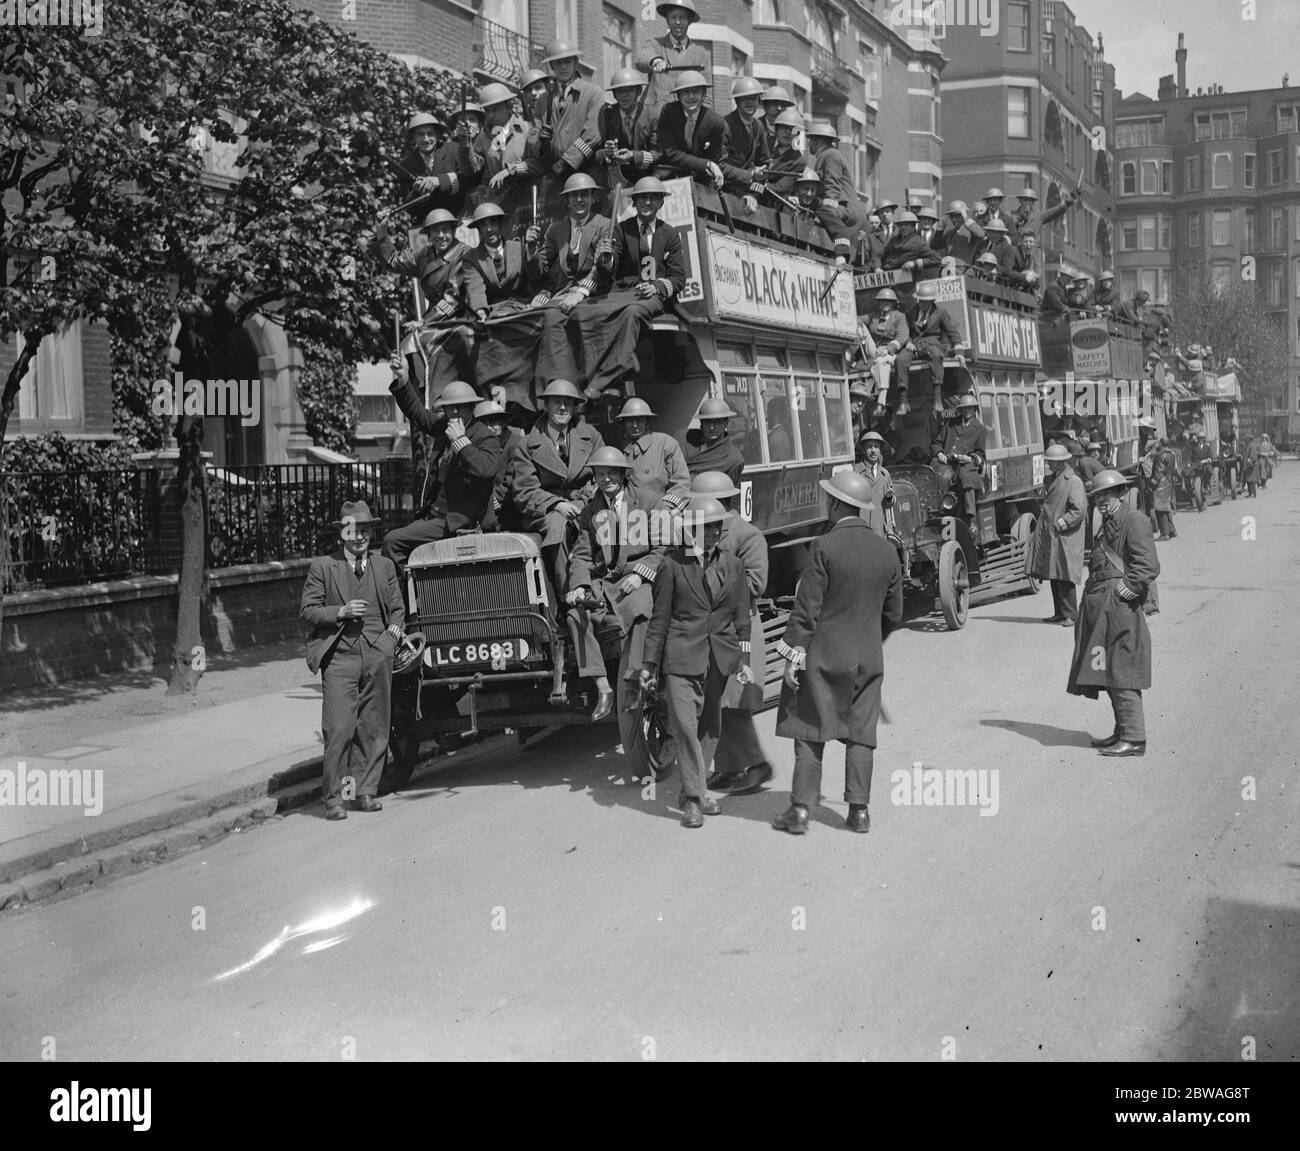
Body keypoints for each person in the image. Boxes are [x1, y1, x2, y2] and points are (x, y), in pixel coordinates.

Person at [771, 470, 903, 835]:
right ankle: (859, 812)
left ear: (834, 504)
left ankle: (800, 811)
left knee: (810, 729)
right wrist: (870, 639)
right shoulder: (886, 551)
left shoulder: (824, 547)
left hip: (825, 656)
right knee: (861, 732)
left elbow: (806, 610)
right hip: (868, 658)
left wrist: (794, 653)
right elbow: (894, 613)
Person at [638, 495, 752, 829]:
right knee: (686, 727)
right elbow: (659, 620)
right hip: (681, 656)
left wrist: (743, 659)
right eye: (706, 527)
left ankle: (698, 790)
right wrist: (649, 664)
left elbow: (741, 615)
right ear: (691, 530)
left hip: (719, 657)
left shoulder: (733, 564)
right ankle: (691, 799)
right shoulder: (672, 565)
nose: (713, 532)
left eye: (717, 526)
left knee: (709, 726)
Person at [301, 500, 406, 820]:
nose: (359, 536)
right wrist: (340, 613)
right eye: (352, 530)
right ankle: (332, 799)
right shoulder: (323, 566)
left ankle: (366, 791)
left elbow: (398, 610)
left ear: (371, 532)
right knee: (339, 727)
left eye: (365, 530)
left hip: (377, 654)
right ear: (341, 533)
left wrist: (390, 638)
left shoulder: (384, 566)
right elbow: (307, 611)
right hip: (340, 657)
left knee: (373, 727)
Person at [566, 447, 666, 721]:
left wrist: (641, 575)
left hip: (637, 578)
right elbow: (583, 555)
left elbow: (663, 547)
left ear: (622, 474)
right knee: (576, 616)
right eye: (600, 474)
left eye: (611, 473)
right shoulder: (590, 511)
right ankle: (603, 687)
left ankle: (636, 681)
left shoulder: (650, 502)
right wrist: (579, 585)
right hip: (604, 582)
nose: (606, 479)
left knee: (639, 608)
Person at [691, 472, 774, 797]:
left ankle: (757, 765)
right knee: (718, 700)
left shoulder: (747, 535)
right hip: (712, 630)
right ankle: (728, 768)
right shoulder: (700, 533)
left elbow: (755, 583)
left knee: (734, 702)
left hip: (738, 629)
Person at [1068, 470, 1160, 758]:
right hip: (1102, 607)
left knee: (1122, 672)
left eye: (1107, 496)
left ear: (1121, 493)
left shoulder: (1134, 521)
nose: (1102, 502)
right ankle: (1122, 732)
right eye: (1097, 498)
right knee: (1107, 672)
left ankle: (1134, 738)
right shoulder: (1107, 522)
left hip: (1119, 609)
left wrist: (1124, 592)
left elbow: (1147, 566)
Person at [578, 175, 686, 400]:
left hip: (652, 297)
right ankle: (585, 375)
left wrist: (657, 287)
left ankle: (610, 376)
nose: (647, 203)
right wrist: (605, 260)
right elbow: (610, 268)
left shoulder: (671, 235)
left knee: (630, 313)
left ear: (661, 203)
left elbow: (678, 278)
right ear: (634, 203)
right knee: (586, 311)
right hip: (622, 293)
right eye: (642, 198)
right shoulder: (620, 229)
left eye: (653, 199)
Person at [382, 374, 504, 569]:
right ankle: (411, 593)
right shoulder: (443, 427)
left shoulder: (484, 435)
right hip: (434, 516)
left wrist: (460, 441)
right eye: (450, 407)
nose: (455, 412)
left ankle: (410, 594)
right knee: (393, 543)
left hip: (461, 522)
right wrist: (404, 380)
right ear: (444, 409)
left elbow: (487, 469)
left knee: (393, 541)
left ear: (472, 408)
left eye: (461, 406)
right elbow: (418, 413)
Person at [509, 378, 604, 590]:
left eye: (568, 403)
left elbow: (603, 476)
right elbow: (524, 492)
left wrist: (586, 501)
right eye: (557, 402)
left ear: (575, 408)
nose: (562, 408)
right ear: (546, 405)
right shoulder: (527, 445)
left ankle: (601, 587)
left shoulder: (592, 436)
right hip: (546, 511)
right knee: (557, 527)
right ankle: (568, 594)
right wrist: (556, 504)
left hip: (586, 502)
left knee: (605, 522)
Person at [370, 207, 468, 320]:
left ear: (453, 231)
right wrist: (381, 229)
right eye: (435, 230)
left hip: (460, 318)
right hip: (434, 318)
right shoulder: (424, 254)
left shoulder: (465, 254)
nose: (441, 235)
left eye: (445, 229)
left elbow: (452, 298)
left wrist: (424, 322)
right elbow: (393, 261)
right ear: (429, 235)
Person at [1029, 443, 1086, 626]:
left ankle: (1070, 614)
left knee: (1065, 575)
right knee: (1054, 573)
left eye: (1053, 462)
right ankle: (1059, 612)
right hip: (1054, 535)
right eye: (1049, 462)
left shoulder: (1073, 481)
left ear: (1063, 462)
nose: (1050, 465)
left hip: (1065, 535)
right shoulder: (1055, 478)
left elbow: (1079, 510)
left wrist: (1063, 522)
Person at [633, 0, 712, 125]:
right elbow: (641, 58)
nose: (678, 22)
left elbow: (706, 97)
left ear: (689, 22)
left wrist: (701, 123)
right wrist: (655, 60)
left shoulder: (701, 55)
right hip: (658, 120)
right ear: (667, 21)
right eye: (673, 17)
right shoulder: (656, 45)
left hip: (688, 122)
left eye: (682, 18)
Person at [540, 41, 604, 188]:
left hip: (585, 170)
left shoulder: (593, 93)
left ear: (576, 62)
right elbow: (533, 134)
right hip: (554, 174)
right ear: (551, 66)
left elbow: (593, 135)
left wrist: (566, 161)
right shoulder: (544, 99)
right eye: (558, 63)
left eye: (567, 62)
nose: (563, 67)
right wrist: (540, 139)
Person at [463, 202, 540, 319]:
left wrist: (531, 251)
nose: (489, 229)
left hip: (522, 308)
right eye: (483, 225)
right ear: (478, 229)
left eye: (493, 223)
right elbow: (475, 287)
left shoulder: (519, 248)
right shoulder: (471, 258)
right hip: (492, 311)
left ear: (500, 224)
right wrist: (480, 310)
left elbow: (536, 276)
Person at [616, 397, 691, 512]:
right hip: (628, 512)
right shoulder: (618, 450)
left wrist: (663, 508)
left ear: (646, 421)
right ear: (623, 423)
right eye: (630, 420)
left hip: (662, 510)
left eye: (640, 420)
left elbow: (682, 483)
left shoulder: (665, 444)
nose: (635, 425)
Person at [804, 120, 863, 264]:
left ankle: (840, 254)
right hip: (839, 206)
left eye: (810, 140)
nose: (808, 143)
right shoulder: (825, 156)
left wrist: (826, 212)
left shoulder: (831, 155)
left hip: (841, 207)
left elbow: (832, 184)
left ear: (817, 140)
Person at [655, 70, 727, 189]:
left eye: (696, 92)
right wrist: (707, 164)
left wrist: (712, 174)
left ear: (704, 94)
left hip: (700, 181)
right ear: (678, 96)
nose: (691, 97)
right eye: (686, 92)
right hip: (670, 177)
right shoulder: (668, 112)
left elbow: (715, 159)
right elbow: (671, 153)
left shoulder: (716, 122)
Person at [479, 81, 537, 221]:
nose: (491, 115)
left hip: (528, 202)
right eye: (487, 110)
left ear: (508, 106)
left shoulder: (526, 129)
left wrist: (509, 170)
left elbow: (538, 164)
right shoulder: (481, 137)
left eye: (496, 109)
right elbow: (473, 169)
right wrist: (464, 146)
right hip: (499, 209)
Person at [596, 69, 658, 190]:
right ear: (614, 94)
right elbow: (595, 153)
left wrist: (634, 156)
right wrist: (606, 153)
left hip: (647, 180)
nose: (624, 95)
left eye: (629, 90)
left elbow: (658, 154)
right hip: (615, 183)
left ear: (638, 91)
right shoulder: (606, 115)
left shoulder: (652, 115)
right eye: (619, 91)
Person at [909, 281, 964, 415]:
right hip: (915, 347)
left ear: (932, 301)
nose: (922, 303)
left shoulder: (941, 313)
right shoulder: (911, 313)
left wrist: (959, 352)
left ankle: (937, 399)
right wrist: (908, 342)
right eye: (920, 300)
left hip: (933, 345)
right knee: (900, 359)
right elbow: (905, 332)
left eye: (926, 301)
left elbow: (953, 333)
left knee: (935, 355)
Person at [931, 393, 987, 522]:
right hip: (946, 464)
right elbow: (936, 443)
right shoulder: (950, 424)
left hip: (965, 464)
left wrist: (970, 459)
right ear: (960, 410)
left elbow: (980, 454)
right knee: (941, 476)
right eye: (964, 408)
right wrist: (940, 453)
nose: (967, 411)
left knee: (967, 477)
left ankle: (971, 517)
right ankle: (940, 509)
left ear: (974, 410)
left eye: (970, 408)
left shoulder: (980, 429)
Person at [721, 75, 771, 208]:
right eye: (745, 98)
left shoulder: (758, 126)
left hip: (751, 194)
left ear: (759, 100)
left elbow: (765, 165)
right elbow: (720, 166)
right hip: (726, 192)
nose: (750, 103)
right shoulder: (724, 125)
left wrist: (754, 196)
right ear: (737, 100)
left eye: (754, 98)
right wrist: (751, 174)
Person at [394, 111, 451, 225]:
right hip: (425, 223)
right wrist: (415, 192)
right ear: (413, 137)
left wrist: (439, 181)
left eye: (430, 134)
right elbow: (406, 204)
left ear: (437, 135)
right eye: (421, 134)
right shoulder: (406, 164)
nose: (426, 139)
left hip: (452, 217)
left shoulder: (450, 152)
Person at [864, 288, 913, 416]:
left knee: (881, 362)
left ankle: (881, 403)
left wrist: (888, 349)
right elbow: (858, 320)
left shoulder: (900, 317)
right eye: (881, 301)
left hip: (890, 352)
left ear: (893, 303)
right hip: (875, 349)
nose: (885, 304)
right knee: (859, 327)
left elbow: (902, 336)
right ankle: (848, 356)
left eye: (888, 301)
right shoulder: (873, 316)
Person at [678, 396, 746, 486]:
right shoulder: (683, 438)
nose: (712, 427)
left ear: (726, 423)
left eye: (718, 422)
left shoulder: (733, 459)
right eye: (707, 421)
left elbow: (729, 493)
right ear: (701, 422)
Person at [762, 108, 810, 204]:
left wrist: (756, 183)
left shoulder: (799, 161)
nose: (788, 132)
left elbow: (780, 188)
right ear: (776, 129)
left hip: (772, 203)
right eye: (784, 128)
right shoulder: (764, 143)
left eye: (792, 130)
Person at [852, 431, 894, 537]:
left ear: (880, 450)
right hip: (861, 527)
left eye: (876, 447)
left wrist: (889, 497)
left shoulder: (885, 474)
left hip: (879, 528)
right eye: (869, 447)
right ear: (863, 449)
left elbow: (890, 505)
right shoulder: (855, 472)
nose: (873, 451)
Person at [931, 200, 986, 266]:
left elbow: (981, 234)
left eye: (957, 216)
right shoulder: (949, 234)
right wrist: (940, 229)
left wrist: (966, 218)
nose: (954, 219)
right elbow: (934, 246)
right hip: (949, 272)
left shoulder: (970, 232)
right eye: (951, 216)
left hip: (964, 272)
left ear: (963, 215)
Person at [1151, 437, 1178, 538]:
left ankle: (1164, 533)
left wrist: (1151, 486)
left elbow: (1158, 473)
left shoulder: (1160, 456)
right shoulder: (1172, 454)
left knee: (1160, 510)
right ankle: (1172, 530)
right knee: (1167, 509)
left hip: (1161, 485)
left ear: (1161, 444)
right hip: (1169, 482)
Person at [759, 85, 797, 153]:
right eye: (775, 104)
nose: (779, 108)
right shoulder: (755, 126)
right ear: (765, 106)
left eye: (782, 105)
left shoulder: (792, 129)